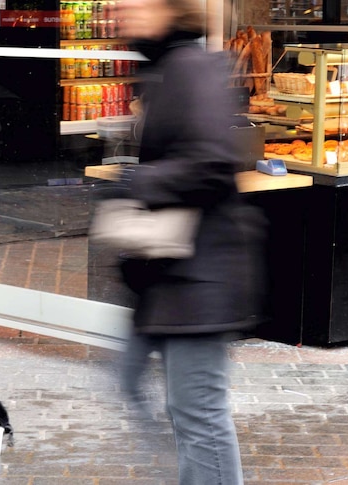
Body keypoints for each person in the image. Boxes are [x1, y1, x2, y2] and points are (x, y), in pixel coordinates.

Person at [113, 0, 263, 483]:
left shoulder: (189, 66)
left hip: (202, 278)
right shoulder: (167, 67)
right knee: (180, 406)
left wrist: (138, 182)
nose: (122, 11)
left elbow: (214, 161)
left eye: (135, 3)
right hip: (175, 277)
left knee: (198, 412)